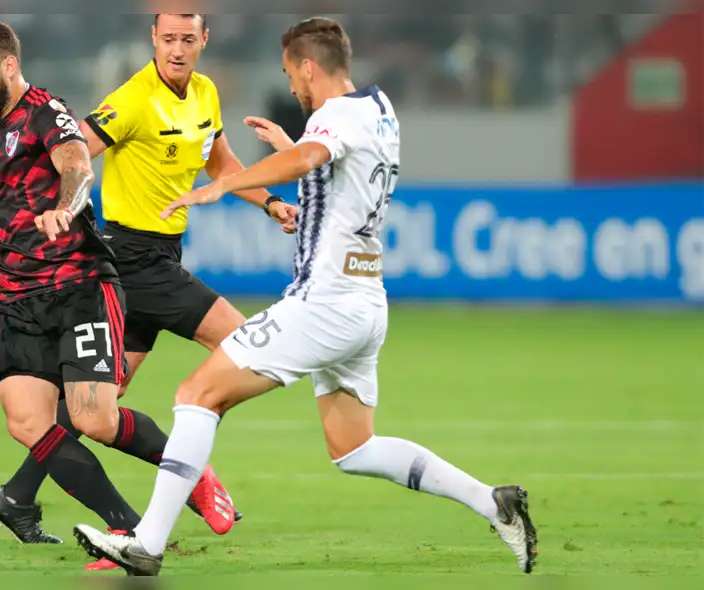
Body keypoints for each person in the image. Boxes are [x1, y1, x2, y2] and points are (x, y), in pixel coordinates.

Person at [74, 17, 539, 576]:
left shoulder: (332, 116)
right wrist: (290, 152)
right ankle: (493, 502)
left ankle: (146, 544)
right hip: (366, 302)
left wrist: (227, 183)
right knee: (354, 448)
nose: (292, 86)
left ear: (309, 67)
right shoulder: (379, 108)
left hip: (325, 303)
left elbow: (310, 159)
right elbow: (337, 169)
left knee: (196, 394)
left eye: (291, 74)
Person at [0, 14, 295, 569]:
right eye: (168, 39)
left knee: (96, 408)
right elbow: (72, 151)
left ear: (204, 40)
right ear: (153, 40)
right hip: (133, 259)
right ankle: (192, 463)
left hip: (159, 258)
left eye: (188, 39)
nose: (177, 49)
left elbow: (222, 165)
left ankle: (17, 495)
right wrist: (51, 207)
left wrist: (271, 202)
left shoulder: (204, 93)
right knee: (248, 344)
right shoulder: (132, 99)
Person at [0, 20, 231, 559]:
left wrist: (65, 207)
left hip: (78, 286)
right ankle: (128, 529)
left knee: (94, 419)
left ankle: (190, 468)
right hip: (19, 301)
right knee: (27, 423)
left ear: (8, 65)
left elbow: (79, 168)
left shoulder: (46, 112)